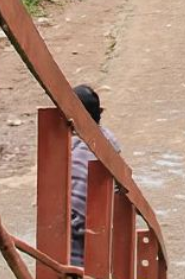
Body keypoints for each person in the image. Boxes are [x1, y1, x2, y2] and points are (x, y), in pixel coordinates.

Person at [69, 83, 121, 268]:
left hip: (74, 244)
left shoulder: (83, 148)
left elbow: (75, 208)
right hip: (101, 238)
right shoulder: (108, 143)